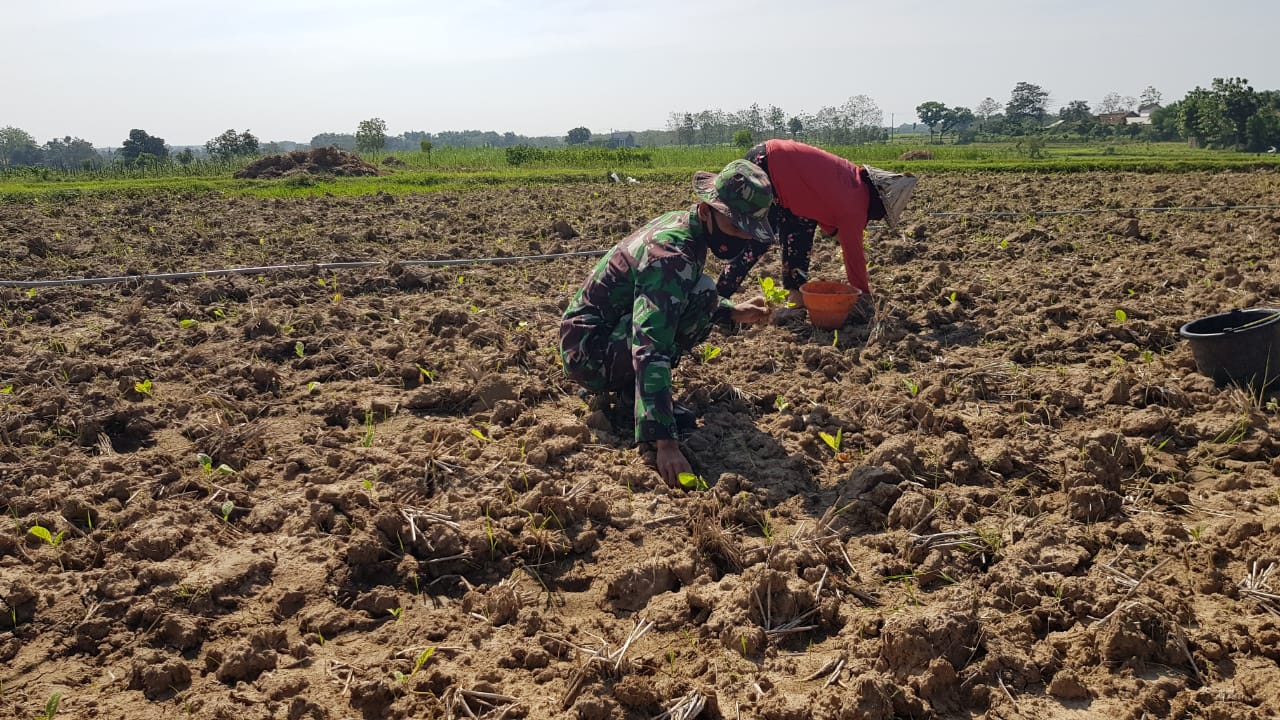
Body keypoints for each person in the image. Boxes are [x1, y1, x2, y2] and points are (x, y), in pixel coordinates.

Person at [560, 160, 775, 487]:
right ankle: (632, 407)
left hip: (601, 336)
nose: (741, 238)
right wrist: (665, 442)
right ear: (707, 210)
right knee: (701, 297)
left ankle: (630, 392)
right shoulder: (671, 254)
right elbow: (651, 344)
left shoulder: (686, 226)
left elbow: (676, 297)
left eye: (748, 231)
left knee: (704, 294)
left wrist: (732, 310)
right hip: (589, 354)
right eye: (735, 227)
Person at [714, 139, 918, 305]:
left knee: (801, 231)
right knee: (758, 239)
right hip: (768, 167)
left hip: (776, 164)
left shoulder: (852, 179)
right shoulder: (856, 206)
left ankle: (796, 299)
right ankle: (717, 300)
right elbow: (853, 256)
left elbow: (823, 212)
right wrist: (864, 296)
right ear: (879, 206)